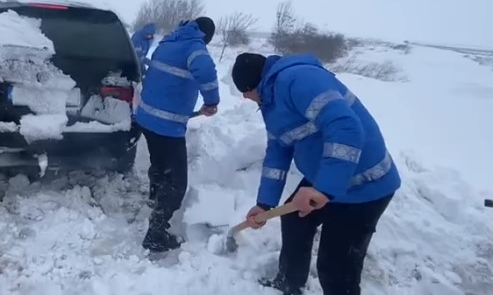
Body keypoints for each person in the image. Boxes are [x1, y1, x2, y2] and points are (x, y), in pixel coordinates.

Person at [231, 52, 401, 295]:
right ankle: (289, 285)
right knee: (294, 220)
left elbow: (346, 127)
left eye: (245, 94)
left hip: (365, 184)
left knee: (335, 269)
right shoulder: (271, 99)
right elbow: (278, 151)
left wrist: (324, 188)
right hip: (325, 176)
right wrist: (264, 204)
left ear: (252, 86)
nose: (246, 99)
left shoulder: (298, 80)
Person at [134, 16, 220, 253]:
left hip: (147, 118)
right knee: (178, 183)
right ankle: (156, 233)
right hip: (167, 125)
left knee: (160, 163)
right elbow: (206, 71)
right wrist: (212, 101)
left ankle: (155, 197)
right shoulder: (195, 47)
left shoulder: (170, 41)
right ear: (206, 36)